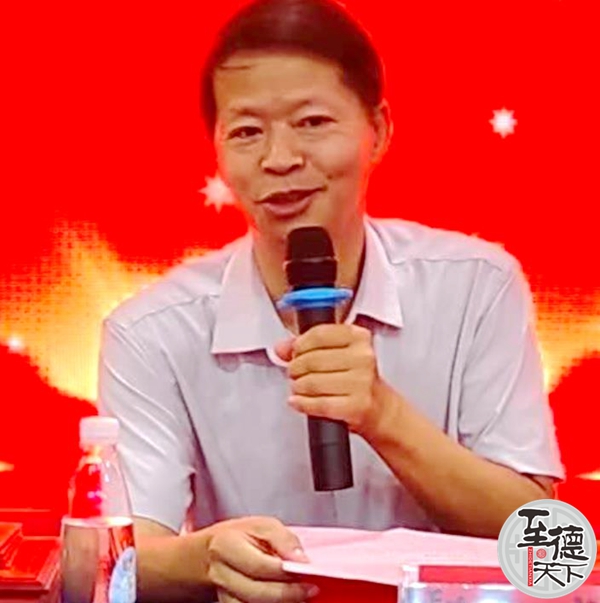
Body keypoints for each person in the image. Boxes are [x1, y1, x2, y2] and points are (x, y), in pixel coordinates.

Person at [98, 0, 564, 601]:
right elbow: (119, 563)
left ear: (380, 131)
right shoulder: (151, 332)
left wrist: (383, 416)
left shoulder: (477, 287)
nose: (280, 159)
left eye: (312, 122)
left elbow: (548, 545)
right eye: (246, 131)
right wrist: (205, 558)